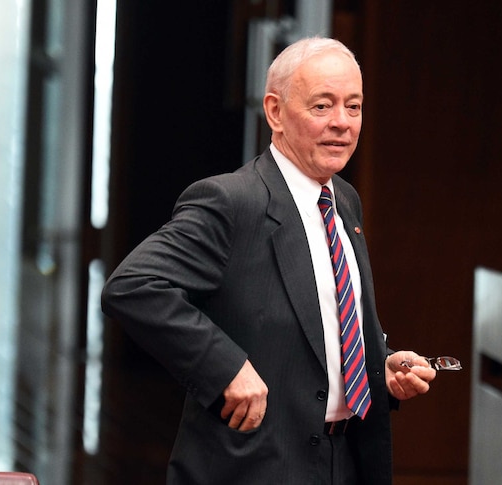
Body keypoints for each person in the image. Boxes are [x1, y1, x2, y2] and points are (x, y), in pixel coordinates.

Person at [101, 36, 437, 485]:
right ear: (275, 112)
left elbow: (322, 322)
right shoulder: (230, 201)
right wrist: (225, 367)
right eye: (322, 106)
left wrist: (381, 362)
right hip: (255, 467)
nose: (342, 123)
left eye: (353, 107)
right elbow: (134, 286)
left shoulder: (344, 201)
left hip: (348, 461)